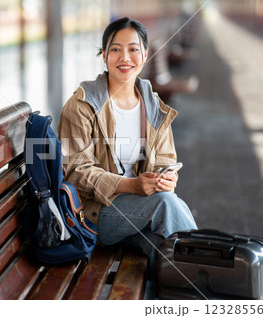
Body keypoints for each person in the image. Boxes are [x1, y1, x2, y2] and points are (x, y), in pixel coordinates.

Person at [57, 17, 197, 297]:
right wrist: (131, 186)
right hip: (94, 213)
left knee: (161, 248)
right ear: (104, 55)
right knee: (166, 206)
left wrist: (166, 178)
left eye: (133, 49)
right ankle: (213, 268)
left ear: (144, 54)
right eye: (115, 49)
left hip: (140, 210)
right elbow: (74, 171)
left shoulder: (153, 104)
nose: (125, 57)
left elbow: (166, 159)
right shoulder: (83, 105)